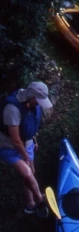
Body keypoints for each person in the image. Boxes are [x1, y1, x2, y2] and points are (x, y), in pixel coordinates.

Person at [0, 81, 52, 216]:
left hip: (27, 143)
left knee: (31, 173)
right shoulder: (12, 108)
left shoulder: (33, 103)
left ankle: (30, 204)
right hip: (9, 146)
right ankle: (41, 201)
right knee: (27, 173)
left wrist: (34, 139)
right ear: (31, 96)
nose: (40, 104)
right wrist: (26, 156)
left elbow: (32, 123)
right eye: (39, 100)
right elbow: (15, 139)